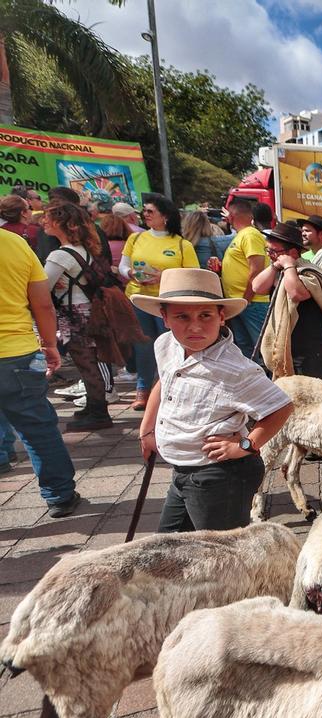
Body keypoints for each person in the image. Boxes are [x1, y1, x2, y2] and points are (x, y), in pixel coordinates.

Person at [133, 269, 293, 532]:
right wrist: (147, 429)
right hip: (183, 469)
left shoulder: (236, 369)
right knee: (170, 545)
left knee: (221, 550)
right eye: (182, 316)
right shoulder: (166, 344)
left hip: (219, 475)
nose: (195, 326)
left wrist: (245, 445)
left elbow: (281, 407)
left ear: (221, 317)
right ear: (165, 318)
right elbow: (164, 380)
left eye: (205, 315)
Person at [0, 227, 79, 517]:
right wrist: (49, 345)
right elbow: (43, 304)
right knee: (37, 428)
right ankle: (60, 495)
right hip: (16, 352)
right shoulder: (14, 243)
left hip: (16, 352)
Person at [119, 193, 200, 410]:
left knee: (173, 346)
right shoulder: (135, 238)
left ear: (165, 216)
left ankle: (169, 389)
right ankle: (143, 389)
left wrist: (164, 276)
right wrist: (130, 274)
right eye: (144, 211)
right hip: (139, 298)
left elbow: (192, 274)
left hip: (169, 301)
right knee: (143, 345)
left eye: (150, 211)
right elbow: (123, 266)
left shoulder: (182, 244)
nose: (144, 214)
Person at [41, 202, 115, 431]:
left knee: (86, 364)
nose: (43, 222)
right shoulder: (83, 249)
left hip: (74, 314)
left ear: (61, 223)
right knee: (90, 362)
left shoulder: (60, 255)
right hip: (89, 311)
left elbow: (42, 287)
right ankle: (94, 407)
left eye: (47, 218)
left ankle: (99, 413)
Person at [253, 223, 322, 385]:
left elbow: (296, 293)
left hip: (308, 349)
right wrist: (275, 266)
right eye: (268, 250)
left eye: (274, 251)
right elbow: (257, 287)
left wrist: (289, 265)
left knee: (307, 393)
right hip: (286, 345)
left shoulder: (308, 271)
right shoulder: (278, 270)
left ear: (293, 252)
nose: (270, 254)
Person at [211, 199, 270, 360]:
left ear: (231, 216)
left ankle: (268, 375)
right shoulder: (242, 235)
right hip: (242, 302)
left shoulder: (250, 234)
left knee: (261, 348)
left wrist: (246, 299)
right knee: (246, 347)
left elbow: (257, 268)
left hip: (251, 302)